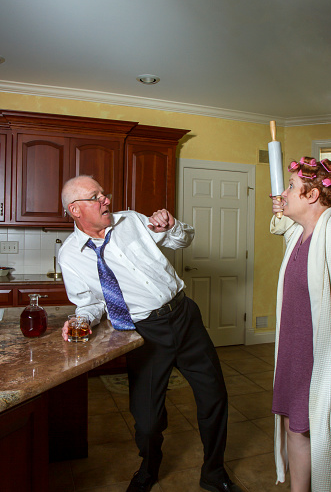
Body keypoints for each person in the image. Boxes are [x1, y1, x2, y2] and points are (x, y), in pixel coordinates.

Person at [59, 175, 243, 492]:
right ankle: (150, 466)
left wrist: (170, 227)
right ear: (76, 209)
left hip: (185, 318)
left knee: (214, 398)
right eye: (96, 196)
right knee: (146, 421)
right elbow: (90, 303)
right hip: (145, 334)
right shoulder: (70, 256)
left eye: (105, 193)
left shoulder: (129, 220)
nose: (106, 200)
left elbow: (181, 240)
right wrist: (83, 319)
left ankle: (214, 472)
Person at [270, 157, 331, 492]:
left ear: (312, 195)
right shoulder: (299, 233)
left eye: (291, 187)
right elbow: (281, 222)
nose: (283, 194)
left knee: (318, 429)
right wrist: (282, 208)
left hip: (320, 357)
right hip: (294, 351)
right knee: (294, 426)